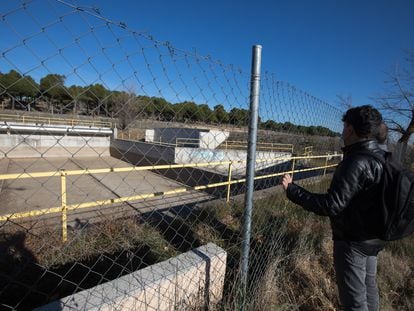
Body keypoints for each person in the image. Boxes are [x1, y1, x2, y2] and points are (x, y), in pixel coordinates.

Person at [282, 105, 385, 311]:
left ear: (351, 129)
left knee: (354, 301)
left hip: (353, 240)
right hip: (374, 235)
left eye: (345, 125)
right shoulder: (381, 156)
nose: (342, 130)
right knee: (369, 286)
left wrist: (292, 190)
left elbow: (331, 205)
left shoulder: (355, 161)